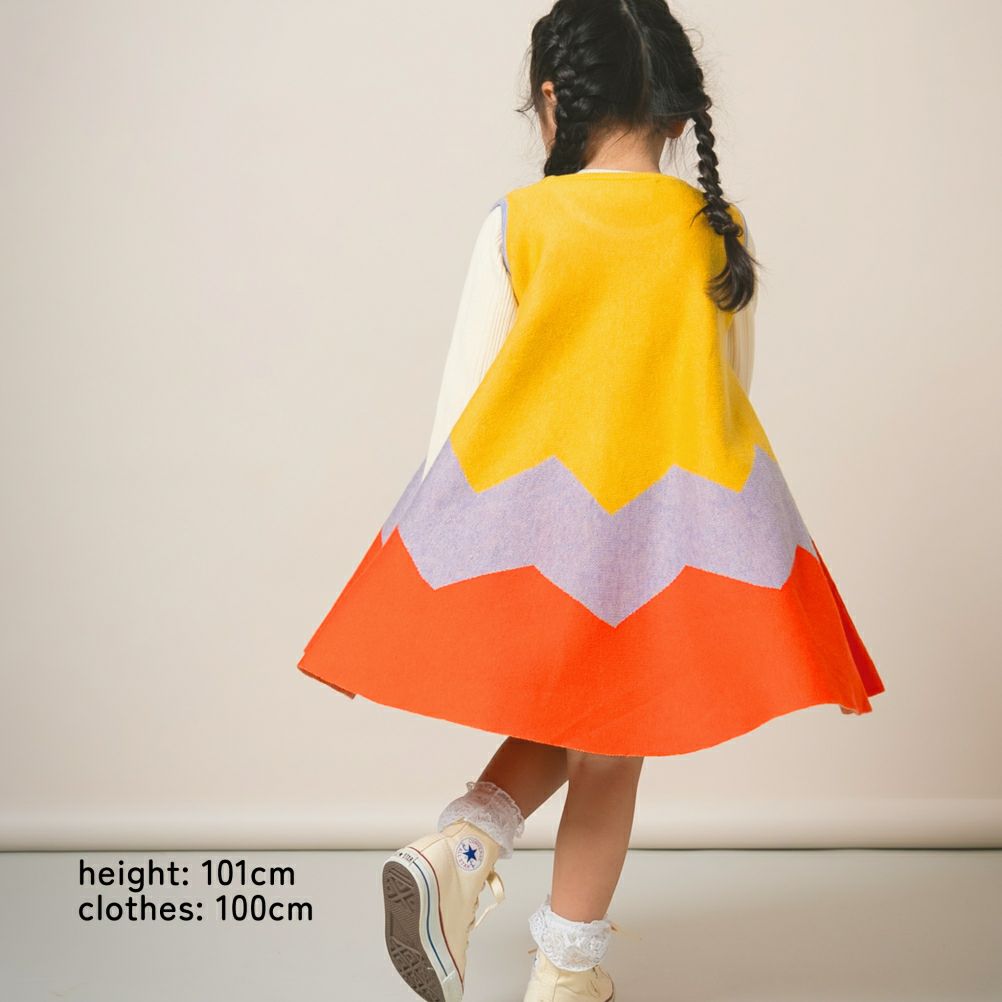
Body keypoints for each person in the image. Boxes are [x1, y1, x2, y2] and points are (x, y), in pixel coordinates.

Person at [296, 1, 886, 999]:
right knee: (614, 746)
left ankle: (463, 852)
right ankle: (565, 971)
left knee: (587, 719)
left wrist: (440, 536)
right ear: (680, 114)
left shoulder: (521, 221)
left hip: (536, 524)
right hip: (672, 533)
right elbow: (730, 390)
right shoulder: (715, 230)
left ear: (552, 100)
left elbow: (461, 404)